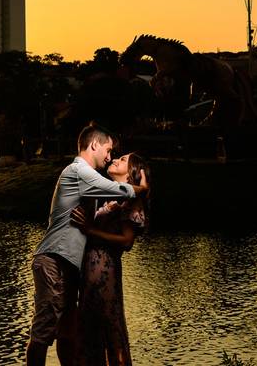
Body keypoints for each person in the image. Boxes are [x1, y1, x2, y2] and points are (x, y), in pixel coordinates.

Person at [25, 123, 149, 366]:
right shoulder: (79, 172)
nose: (110, 156)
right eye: (109, 150)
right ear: (95, 145)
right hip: (54, 260)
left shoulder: (90, 184)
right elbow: (119, 189)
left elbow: (119, 228)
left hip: (71, 267)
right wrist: (142, 189)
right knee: (44, 332)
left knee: (68, 332)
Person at [70, 153, 150, 366]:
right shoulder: (112, 198)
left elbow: (127, 241)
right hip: (89, 274)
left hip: (106, 273)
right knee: (89, 335)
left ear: (132, 173)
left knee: (111, 333)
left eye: (122, 160)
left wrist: (89, 230)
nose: (114, 159)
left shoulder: (131, 202)